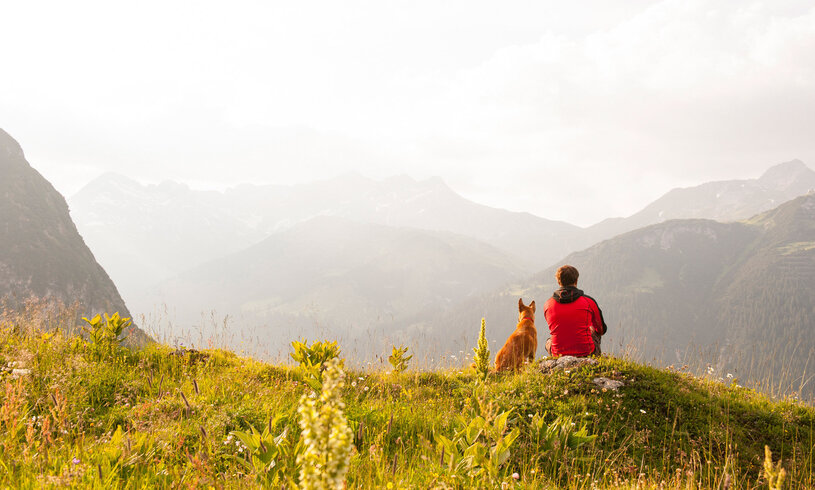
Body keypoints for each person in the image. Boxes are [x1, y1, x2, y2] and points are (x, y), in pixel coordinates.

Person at [543, 265, 606, 357]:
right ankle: (594, 357)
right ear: (576, 280)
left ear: (558, 281)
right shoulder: (589, 302)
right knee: (594, 332)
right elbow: (601, 330)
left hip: (558, 354)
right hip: (587, 352)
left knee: (549, 341)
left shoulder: (548, 304)